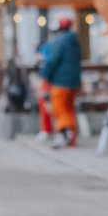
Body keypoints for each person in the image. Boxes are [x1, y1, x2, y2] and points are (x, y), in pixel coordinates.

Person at [42, 17, 82, 148]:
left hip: (60, 81)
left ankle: (65, 132)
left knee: (59, 109)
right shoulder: (74, 40)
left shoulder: (59, 41)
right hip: (74, 82)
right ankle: (72, 138)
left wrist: (45, 75)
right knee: (69, 109)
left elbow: (52, 60)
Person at [35, 41, 54, 141]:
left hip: (50, 82)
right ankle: (47, 130)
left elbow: (47, 68)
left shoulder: (46, 53)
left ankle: (48, 130)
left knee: (47, 106)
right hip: (50, 81)